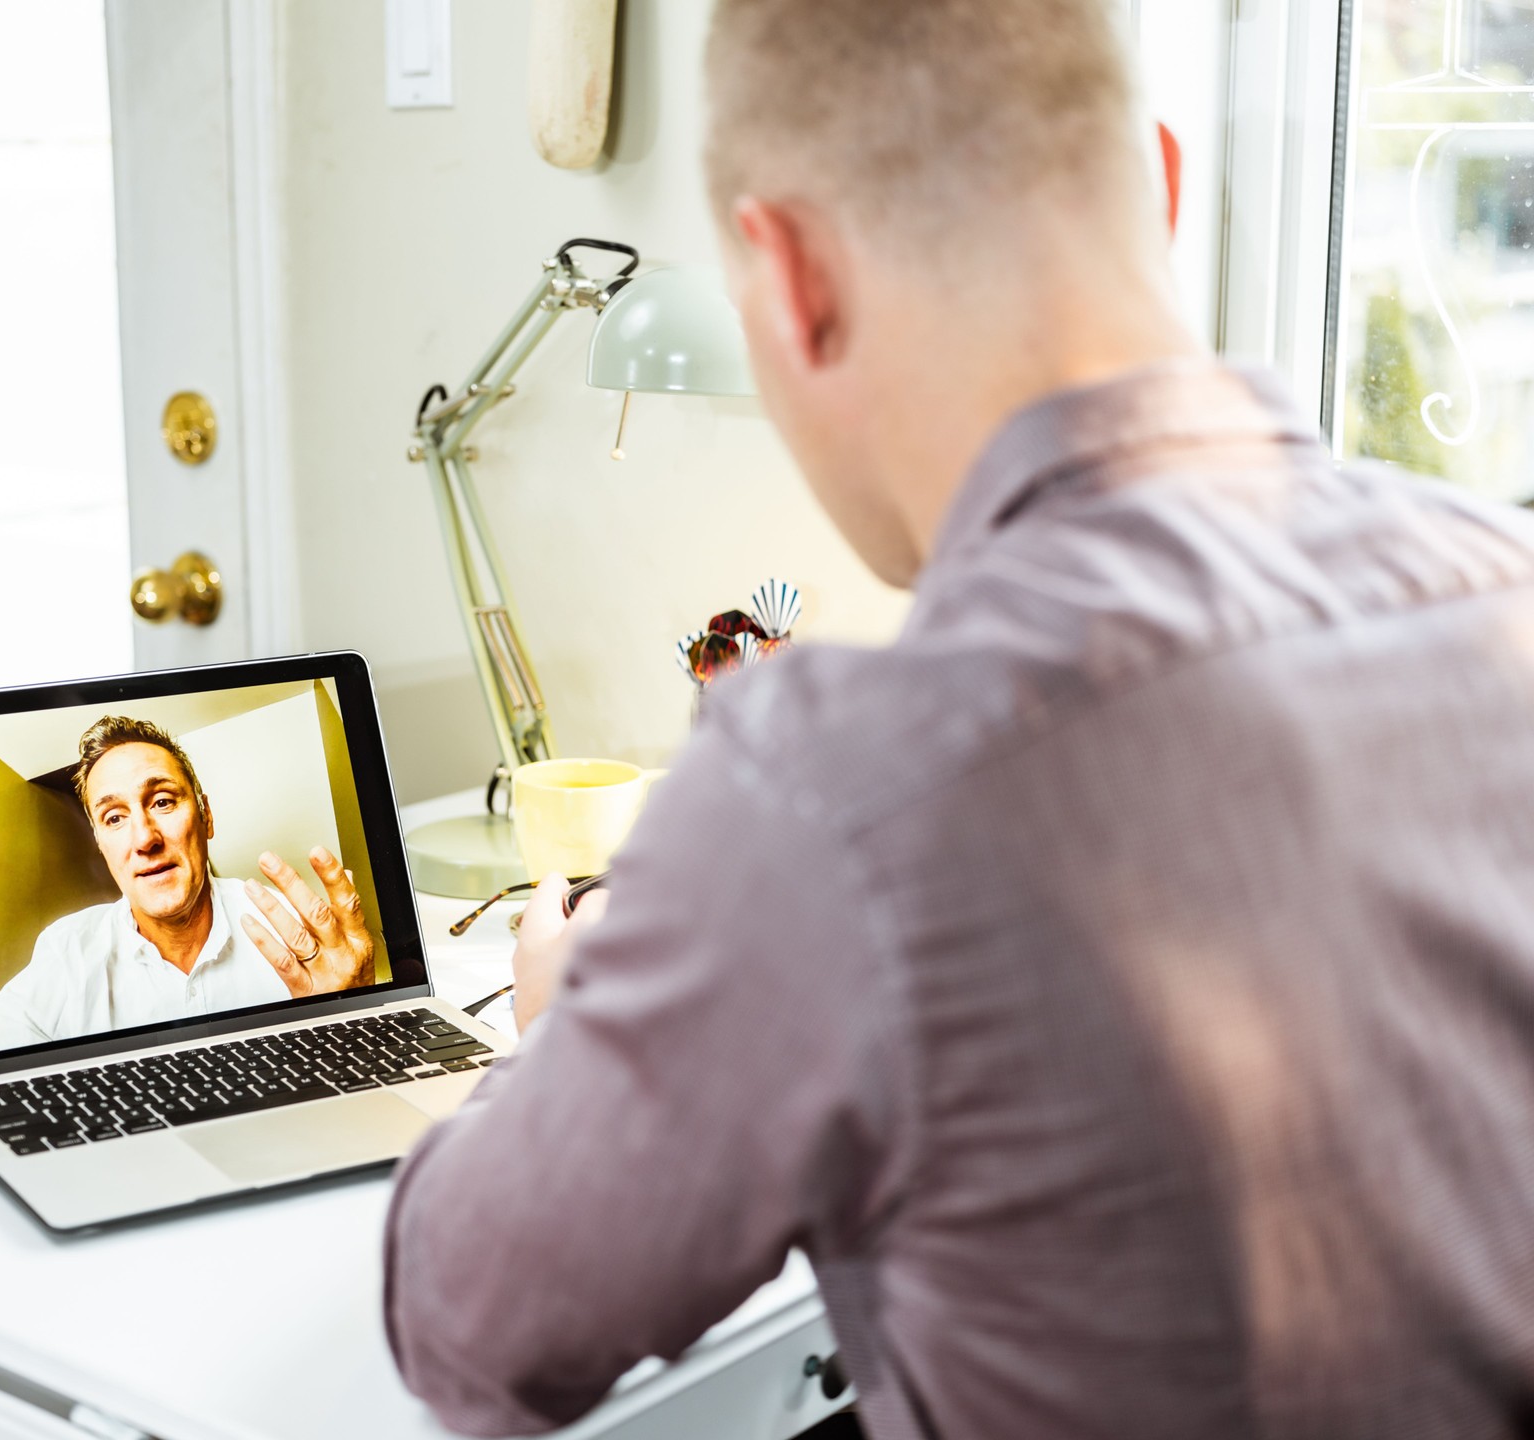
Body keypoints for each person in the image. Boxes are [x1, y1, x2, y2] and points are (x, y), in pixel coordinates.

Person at [382, 1, 1534, 1436]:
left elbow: (471, 1328)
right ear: (1164, 190)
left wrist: (561, 1040)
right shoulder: (1502, 594)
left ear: (790, 282)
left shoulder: (834, 790)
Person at [0, 715, 375, 1055]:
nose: (144, 839)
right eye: (114, 818)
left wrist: (355, 1019)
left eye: (163, 801)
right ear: (101, 844)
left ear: (206, 816)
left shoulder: (298, 935)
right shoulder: (68, 949)